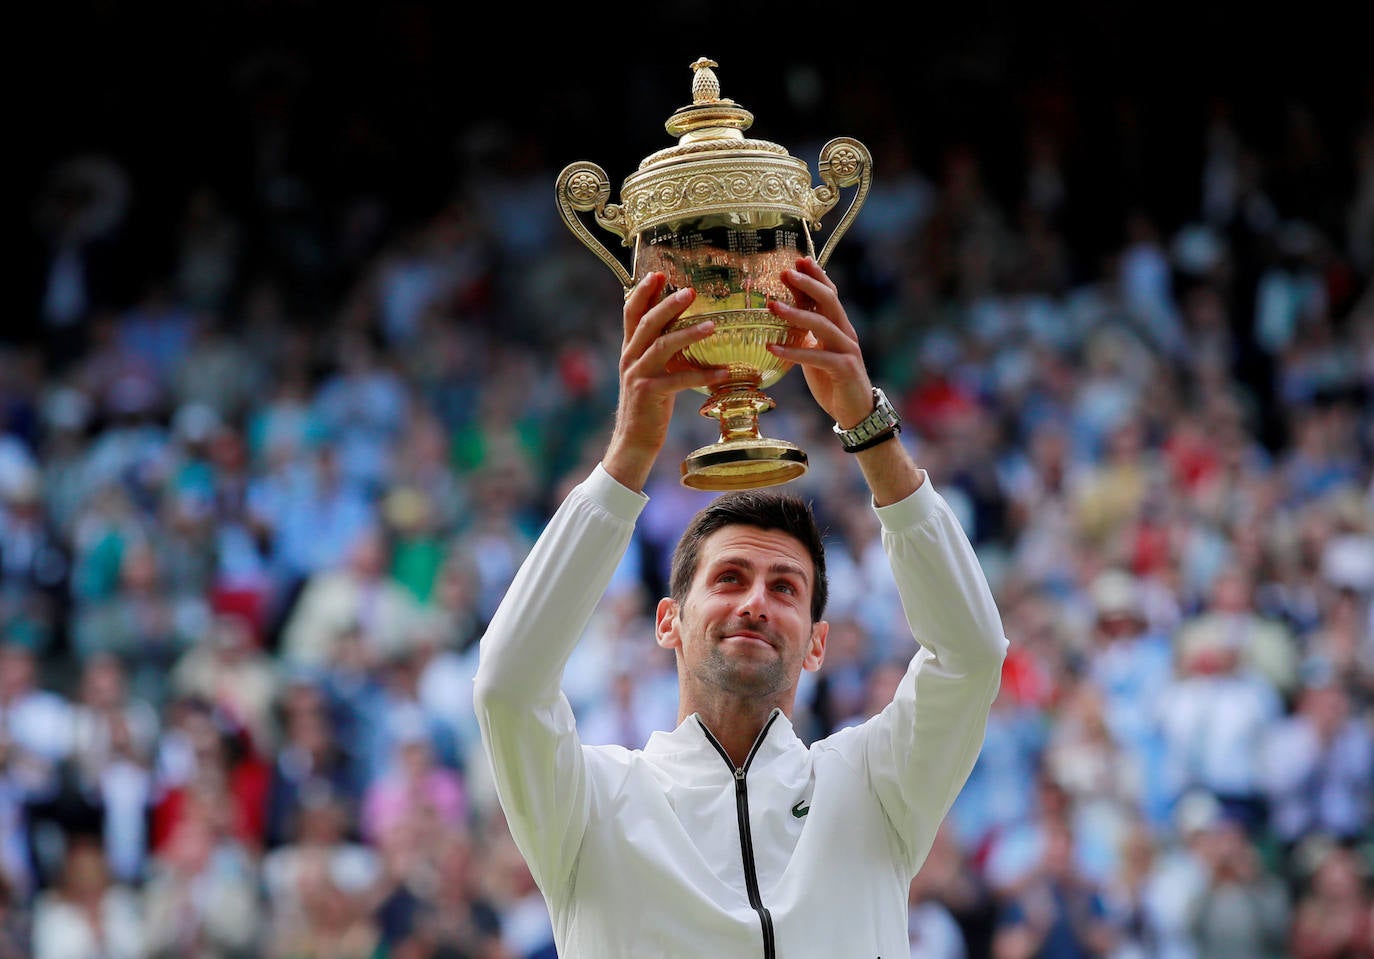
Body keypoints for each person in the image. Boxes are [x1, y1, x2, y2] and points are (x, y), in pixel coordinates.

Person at [473, 257, 1009, 957]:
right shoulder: (592, 803)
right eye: (729, 578)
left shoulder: (874, 786)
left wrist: (869, 431)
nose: (756, 600)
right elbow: (509, 684)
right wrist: (628, 457)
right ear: (669, 621)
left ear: (817, 643)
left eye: (785, 586)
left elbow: (970, 656)